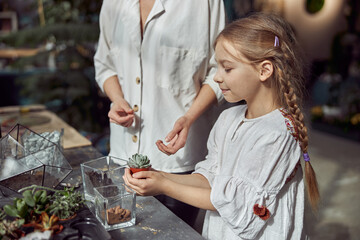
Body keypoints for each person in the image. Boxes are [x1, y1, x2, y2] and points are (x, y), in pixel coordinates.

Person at [123, 12, 320, 239]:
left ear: (264, 70)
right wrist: (160, 176)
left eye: (227, 68)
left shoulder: (278, 133)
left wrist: (165, 187)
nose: (216, 78)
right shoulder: (228, 118)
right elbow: (211, 179)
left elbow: (234, 203)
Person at [94, 0, 226, 227]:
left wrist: (189, 116)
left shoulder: (206, 3)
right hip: (122, 158)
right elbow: (105, 64)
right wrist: (117, 99)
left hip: (179, 165)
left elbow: (219, 71)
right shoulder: (113, 3)